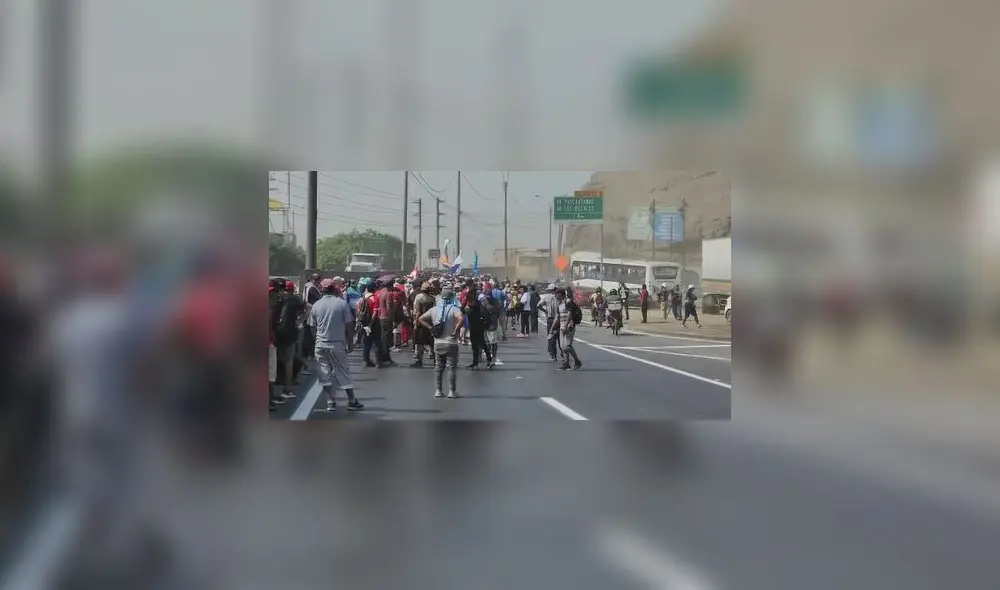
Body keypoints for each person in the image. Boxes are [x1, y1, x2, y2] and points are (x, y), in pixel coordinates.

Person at [310, 278, 364, 412]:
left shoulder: (316, 305)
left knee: (325, 374)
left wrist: (317, 339)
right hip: (337, 344)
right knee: (343, 372)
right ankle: (351, 401)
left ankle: (330, 402)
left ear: (322, 290)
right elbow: (349, 324)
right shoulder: (341, 304)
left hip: (320, 344)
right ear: (334, 289)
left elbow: (312, 326)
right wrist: (350, 341)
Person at [418, 287, 464, 398]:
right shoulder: (454, 309)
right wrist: (455, 330)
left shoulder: (434, 310)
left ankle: (438, 391)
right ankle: (452, 391)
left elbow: (421, 319)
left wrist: (431, 328)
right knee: (451, 367)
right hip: (451, 343)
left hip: (438, 343)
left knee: (439, 367)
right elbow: (461, 319)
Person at [551, 288, 582, 370]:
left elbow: (570, 314)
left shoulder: (568, 301)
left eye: (556, 294)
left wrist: (566, 326)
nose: (555, 295)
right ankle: (566, 364)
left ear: (560, 294)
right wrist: (552, 328)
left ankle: (577, 361)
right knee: (562, 346)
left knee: (567, 346)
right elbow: (557, 317)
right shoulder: (559, 304)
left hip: (569, 326)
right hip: (561, 327)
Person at [466, 286, 494, 369]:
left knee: (480, 345)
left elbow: (468, 311)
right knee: (477, 345)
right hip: (476, 326)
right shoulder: (475, 303)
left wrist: (464, 308)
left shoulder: (474, 304)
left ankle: (488, 361)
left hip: (476, 326)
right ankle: (476, 362)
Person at [411, 282, 437, 367]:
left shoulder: (419, 297)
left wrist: (415, 322)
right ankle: (435, 361)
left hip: (421, 322)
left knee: (420, 343)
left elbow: (417, 311)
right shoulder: (432, 299)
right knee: (432, 342)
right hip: (430, 322)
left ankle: (419, 360)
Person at [543, 284, 560, 362]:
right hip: (560, 319)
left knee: (551, 337)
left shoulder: (546, 297)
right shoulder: (560, 297)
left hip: (551, 319)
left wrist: (545, 311)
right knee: (560, 338)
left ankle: (553, 355)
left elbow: (538, 305)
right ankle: (564, 355)